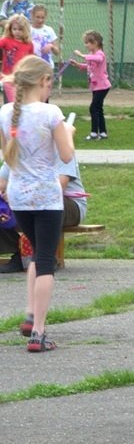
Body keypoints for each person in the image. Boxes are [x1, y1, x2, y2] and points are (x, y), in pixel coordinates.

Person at [0, 55, 75, 352]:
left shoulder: (6, 112)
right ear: (44, 81)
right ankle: (39, 334)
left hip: (19, 196)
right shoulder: (51, 112)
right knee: (46, 261)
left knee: (36, 253)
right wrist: (67, 133)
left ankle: (31, 315)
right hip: (45, 195)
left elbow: (7, 154)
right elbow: (66, 156)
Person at [0, 156, 88, 277]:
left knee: (47, 201)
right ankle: (20, 254)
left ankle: (46, 256)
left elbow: (59, 185)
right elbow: (1, 182)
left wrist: (20, 193)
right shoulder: (17, 150)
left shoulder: (59, 149)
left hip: (68, 204)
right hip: (27, 201)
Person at [69, 30, 111, 140]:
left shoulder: (99, 54)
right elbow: (89, 66)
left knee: (93, 108)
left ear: (95, 43)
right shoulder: (92, 55)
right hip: (96, 86)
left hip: (102, 86)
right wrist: (78, 65)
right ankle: (103, 132)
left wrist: (82, 55)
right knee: (98, 108)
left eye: (88, 43)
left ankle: (94, 133)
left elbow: (98, 59)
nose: (86, 45)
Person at [0, 14, 35, 103]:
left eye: (20, 29)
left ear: (25, 30)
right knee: (9, 103)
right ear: (10, 29)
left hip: (22, 77)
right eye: (14, 29)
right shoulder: (6, 40)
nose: (17, 32)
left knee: (22, 101)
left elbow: (31, 60)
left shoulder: (29, 44)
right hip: (7, 77)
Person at [30, 5, 59, 71]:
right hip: (31, 67)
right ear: (32, 16)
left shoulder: (49, 30)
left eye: (43, 18)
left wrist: (51, 46)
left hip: (47, 67)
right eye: (37, 17)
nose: (40, 20)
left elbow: (57, 52)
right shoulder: (27, 30)